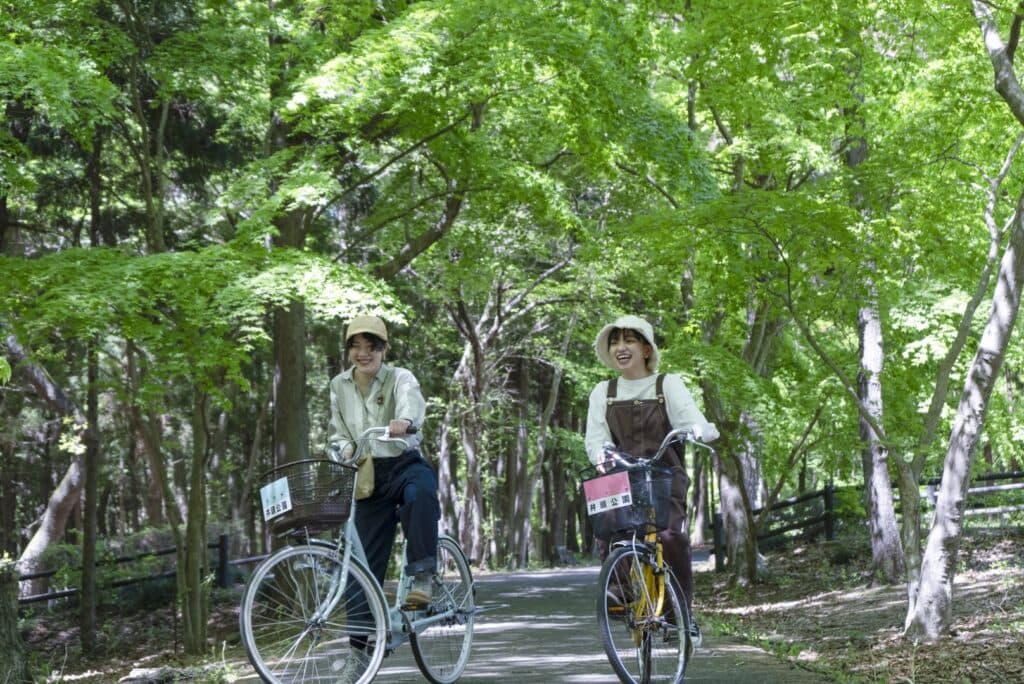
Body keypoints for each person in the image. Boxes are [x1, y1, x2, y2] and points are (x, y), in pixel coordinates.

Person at [584, 314, 719, 642]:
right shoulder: (603, 392)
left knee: (671, 537)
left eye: (629, 340)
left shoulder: (667, 384)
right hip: (621, 474)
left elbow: (694, 420)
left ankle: (679, 618)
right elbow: (595, 438)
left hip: (663, 474)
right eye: (615, 342)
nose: (621, 348)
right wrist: (600, 456)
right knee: (609, 526)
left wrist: (697, 431)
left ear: (646, 349)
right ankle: (619, 592)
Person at [328, 314, 439, 608]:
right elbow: (338, 432)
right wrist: (341, 450)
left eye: (371, 346)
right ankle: (361, 650)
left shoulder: (400, 377)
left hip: (403, 463)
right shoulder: (339, 385)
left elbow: (410, 403)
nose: (363, 354)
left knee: (421, 494)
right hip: (367, 475)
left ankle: (422, 577)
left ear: (384, 349)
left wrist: (403, 420)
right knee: (362, 563)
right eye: (356, 346)